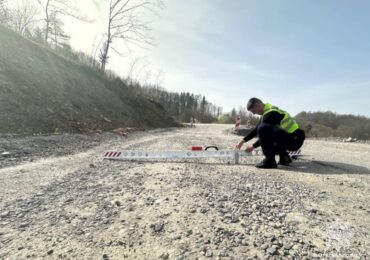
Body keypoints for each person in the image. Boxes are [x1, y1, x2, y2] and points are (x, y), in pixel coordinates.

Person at [236, 98, 305, 168]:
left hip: (294, 140)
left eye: (254, 111)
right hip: (293, 138)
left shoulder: (271, 113)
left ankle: (270, 161)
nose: (253, 113)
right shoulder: (267, 112)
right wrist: (242, 141)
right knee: (263, 129)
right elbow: (255, 130)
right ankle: (284, 157)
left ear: (258, 105)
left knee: (263, 128)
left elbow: (264, 133)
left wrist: (253, 146)